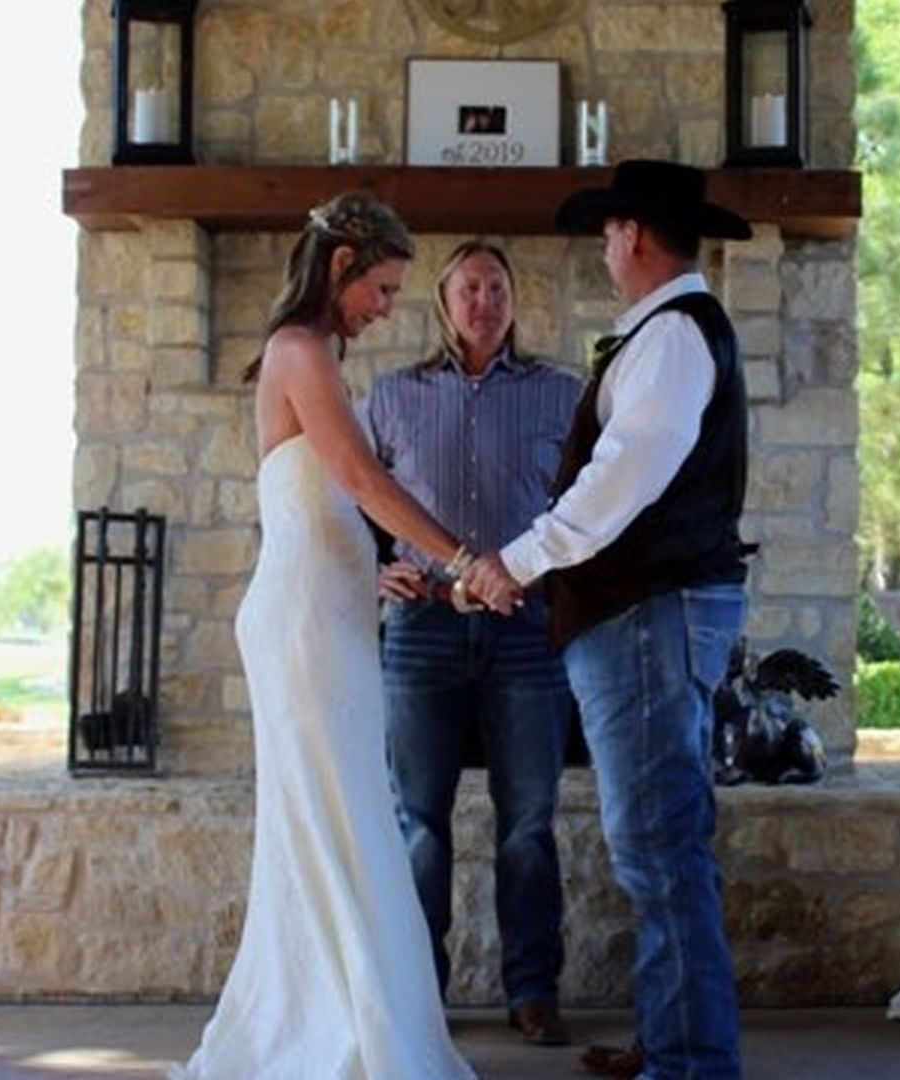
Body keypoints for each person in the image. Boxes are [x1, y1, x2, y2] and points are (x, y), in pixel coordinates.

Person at [172, 193, 489, 1080]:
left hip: (337, 617)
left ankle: (348, 1011)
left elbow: (333, 497)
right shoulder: (298, 349)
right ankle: (332, 1028)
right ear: (342, 267)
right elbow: (353, 473)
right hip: (305, 624)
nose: (387, 307)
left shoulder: (316, 355)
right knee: (329, 816)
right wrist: (461, 556)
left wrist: (391, 568)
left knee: (346, 815)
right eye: (382, 287)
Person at [463, 159, 755, 1080]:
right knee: (660, 841)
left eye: (607, 232)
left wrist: (515, 561)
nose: (603, 247)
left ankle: (693, 1061)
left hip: (644, 613)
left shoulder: (671, 336)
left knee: (660, 845)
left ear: (632, 234)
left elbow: (619, 482)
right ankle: (674, 1042)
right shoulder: (669, 332)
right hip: (645, 614)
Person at [366, 240, 583, 1047]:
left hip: (525, 632)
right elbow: (347, 493)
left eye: (497, 286)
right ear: (443, 301)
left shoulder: (564, 396)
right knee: (417, 819)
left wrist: (557, 588)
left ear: (514, 301)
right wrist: (371, 569)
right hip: (420, 630)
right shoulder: (391, 397)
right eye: (468, 286)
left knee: (528, 819)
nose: (483, 299)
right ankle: (421, 993)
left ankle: (533, 991)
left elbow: (587, 504)